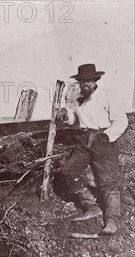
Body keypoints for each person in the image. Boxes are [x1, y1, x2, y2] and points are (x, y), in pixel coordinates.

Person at [57, 64, 128, 235]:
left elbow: (121, 121)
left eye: (88, 81)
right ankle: (91, 206)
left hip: (103, 141)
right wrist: (66, 115)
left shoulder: (106, 95)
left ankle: (112, 221)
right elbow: (75, 120)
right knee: (68, 172)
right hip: (83, 140)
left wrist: (106, 137)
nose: (85, 85)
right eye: (82, 81)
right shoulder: (80, 99)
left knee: (108, 182)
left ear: (96, 80)